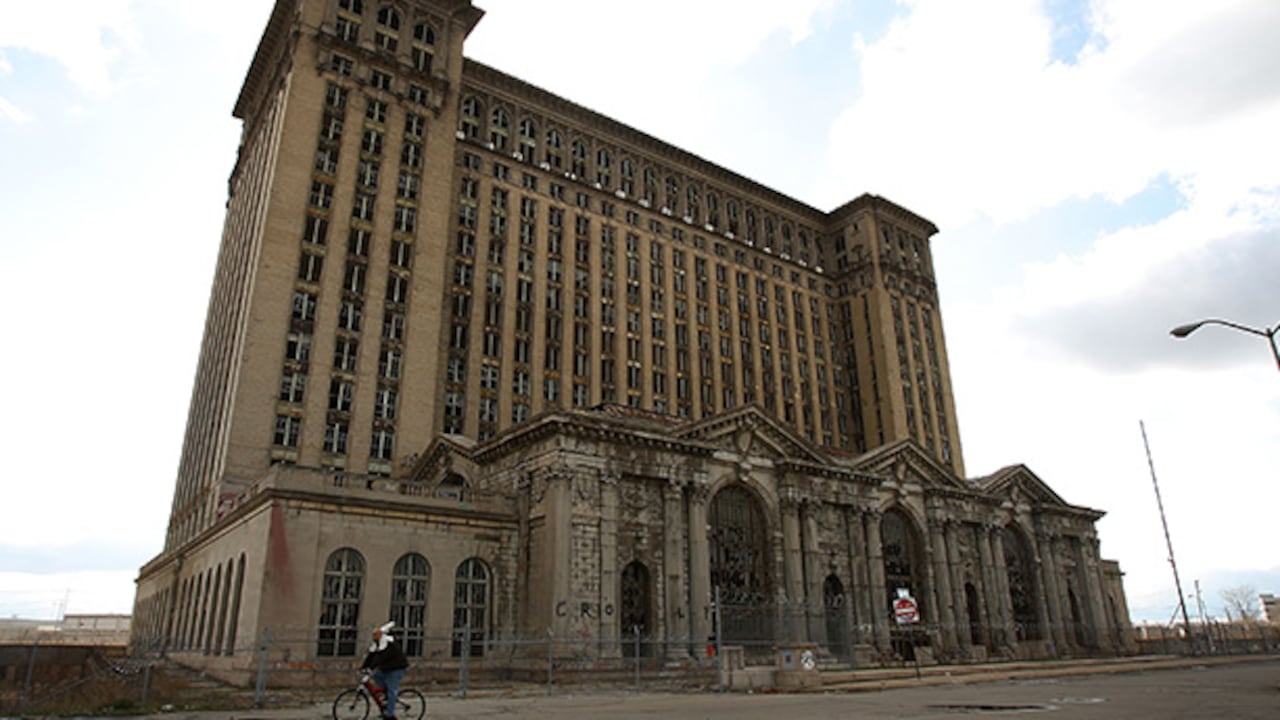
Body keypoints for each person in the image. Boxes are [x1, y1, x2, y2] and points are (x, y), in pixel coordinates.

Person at [360, 621, 409, 720]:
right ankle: (386, 696)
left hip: (396, 668)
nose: (374, 637)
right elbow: (371, 655)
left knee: (392, 690)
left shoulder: (389, 644)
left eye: (376, 635)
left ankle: (390, 714)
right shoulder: (377, 643)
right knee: (376, 676)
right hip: (386, 668)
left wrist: (371, 668)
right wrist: (363, 667)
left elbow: (380, 658)